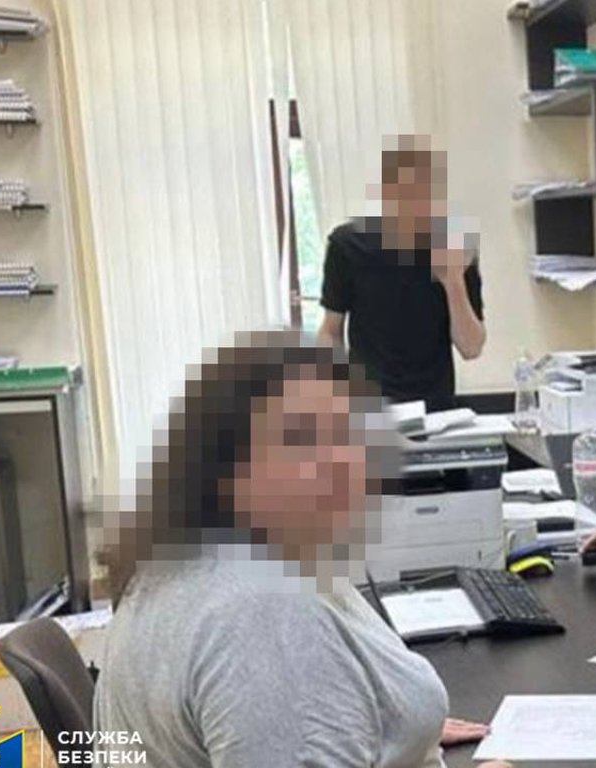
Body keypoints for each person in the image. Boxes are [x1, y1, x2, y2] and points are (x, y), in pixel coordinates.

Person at [94, 333, 509, 768]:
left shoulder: (193, 555)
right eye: (299, 440)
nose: (341, 462)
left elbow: (276, 723)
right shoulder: (263, 612)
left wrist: (382, 725)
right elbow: (281, 701)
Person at [317, 138, 486, 412]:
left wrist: (452, 280)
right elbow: (330, 329)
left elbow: (471, 348)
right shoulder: (348, 245)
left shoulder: (455, 245)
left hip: (435, 409)